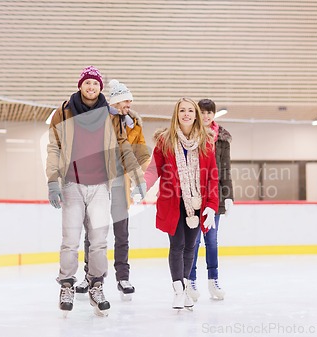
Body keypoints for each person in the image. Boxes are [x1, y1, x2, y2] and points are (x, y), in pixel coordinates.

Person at [46, 66, 146, 316]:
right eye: (87, 83)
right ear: (80, 85)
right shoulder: (64, 111)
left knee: (99, 242)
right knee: (70, 240)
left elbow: (124, 146)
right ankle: (66, 285)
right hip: (72, 183)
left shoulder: (111, 115)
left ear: (101, 88)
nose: (91, 88)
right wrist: (52, 181)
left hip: (101, 184)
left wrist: (137, 175)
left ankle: (96, 285)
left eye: (96, 84)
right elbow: (54, 147)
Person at [75, 79, 151, 300]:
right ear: (116, 102)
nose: (129, 104)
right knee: (93, 233)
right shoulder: (100, 119)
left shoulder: (134, 124)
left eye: (130, 101)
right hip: (98, 183)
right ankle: (89, 276)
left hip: (120, 185)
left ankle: (123, 277)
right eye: (125, 101)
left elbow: (142, 154)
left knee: (122, 233)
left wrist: (140, 179)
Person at [144, 97, 219, 310]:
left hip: (197, 203)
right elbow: (154, 169)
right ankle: (178, 290)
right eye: (182, 110)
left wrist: (212, 206)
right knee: (177, 246)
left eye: (190, 111)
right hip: (172, 202)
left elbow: (213, 176)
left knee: (190, 247)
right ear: (176, 114)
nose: (186, 114)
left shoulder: (206, 141)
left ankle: (185, 287)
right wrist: (142, 186)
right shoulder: (165, 140)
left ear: (196, 115)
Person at [186, 99, 234, 301]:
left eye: (209, 113)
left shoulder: (221, 140)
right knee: (194, 241)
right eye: (202, 112)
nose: (206, 116)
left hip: (216, 197)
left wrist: (229, 195)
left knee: (211, 241)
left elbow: (225, 170)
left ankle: (213, 281)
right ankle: (190, 280)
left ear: (214, 115)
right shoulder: (189, 135)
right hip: (195, 196)